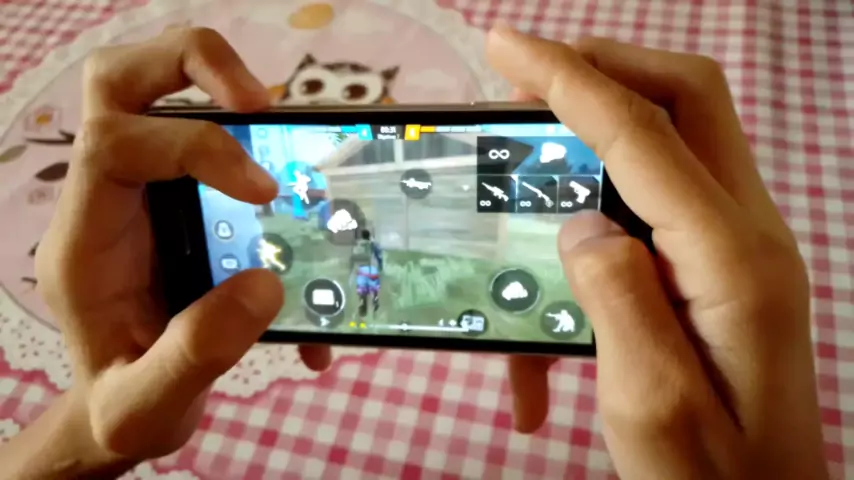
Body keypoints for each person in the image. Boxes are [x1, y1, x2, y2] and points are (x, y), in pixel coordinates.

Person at [0, 24, 828, 479]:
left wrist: (92, 438)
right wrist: (95, 436)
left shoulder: (364, 213)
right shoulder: (336, 215)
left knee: (384, 262)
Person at [350, 228, 383, 317]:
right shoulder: (373, 245)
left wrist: (352, 269)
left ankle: (363, 305)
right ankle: (375, 300)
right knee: (374, 288)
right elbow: (379, 256)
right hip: (372, 269)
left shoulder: (358, 245)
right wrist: (380, 267)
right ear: (369, 236)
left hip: (361, 270)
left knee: (363, 290)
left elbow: (353, 258)